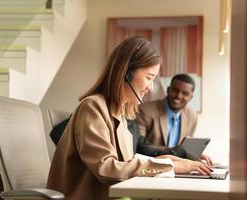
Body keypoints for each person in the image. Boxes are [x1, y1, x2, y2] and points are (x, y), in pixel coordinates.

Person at [47, 36, 211, 200]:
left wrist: (162, 161)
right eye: (149, 78)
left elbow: (124, 163)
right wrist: (170, 167)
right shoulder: (93, 107)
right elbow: (107, 169)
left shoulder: (121, 113)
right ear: (126, 73)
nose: (150, 87)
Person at [136, 73, 213, 164]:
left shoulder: (192, 116)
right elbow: (139, 146)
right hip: (149, 167)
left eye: (185, 93)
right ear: (168, 90)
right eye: (175, 90)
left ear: (191, 97)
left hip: (177, 168)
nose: (179, 96)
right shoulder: (144, 110)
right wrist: (173, 151)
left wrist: (193, 154)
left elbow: (185, 148)